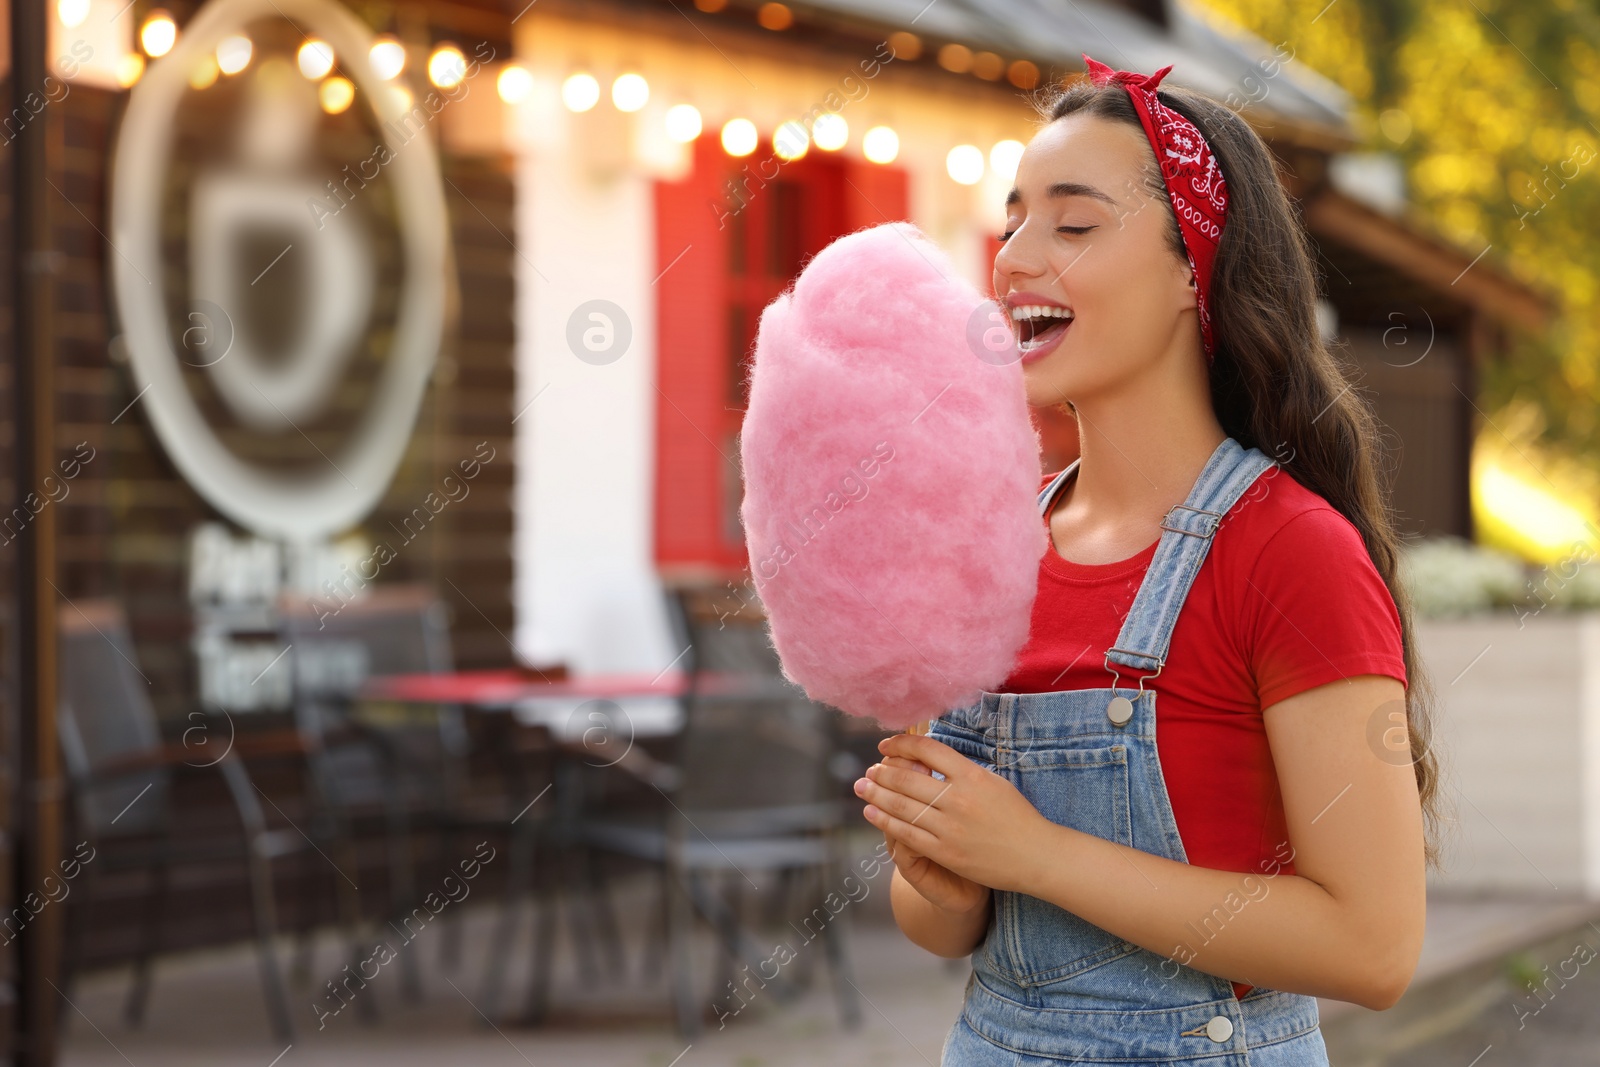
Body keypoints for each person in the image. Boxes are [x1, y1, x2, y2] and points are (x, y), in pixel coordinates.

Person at [852, 55, 1439, 1065]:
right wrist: (941, 870)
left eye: (1072, 225)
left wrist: (1034, 854)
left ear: (1190, 271)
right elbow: (941, 923)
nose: (1013, 258)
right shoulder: (987, 550)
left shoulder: (1290, 551)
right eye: (1012, 219)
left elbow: (1373, 944)